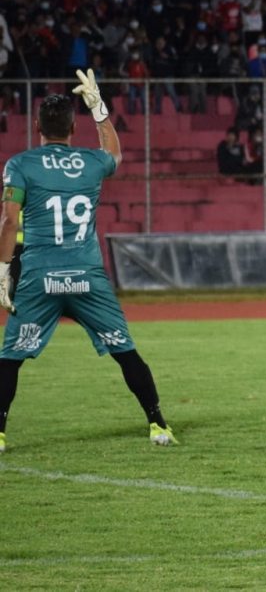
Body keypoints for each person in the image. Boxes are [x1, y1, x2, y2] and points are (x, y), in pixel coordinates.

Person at [0, 70, 178, 453]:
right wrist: (98, 108)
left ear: (37, 127)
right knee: (125, 352)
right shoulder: (91, 161)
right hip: (86, 276)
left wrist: (2, 271)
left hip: (39, 276)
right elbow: (115, 153)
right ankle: (157, 424)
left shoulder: (20, 165)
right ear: (72, 128)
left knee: (10, 357)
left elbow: (9, 221)